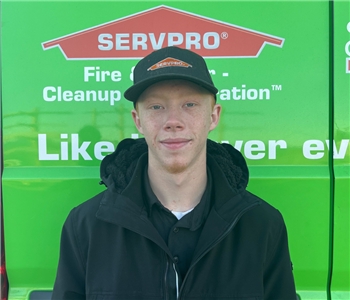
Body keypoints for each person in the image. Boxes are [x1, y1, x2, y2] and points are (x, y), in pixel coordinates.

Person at [51, 46, 297, 300]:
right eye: (156, 107)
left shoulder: (262, 225)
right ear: (138, 120)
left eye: (189, 104)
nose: (173, 120)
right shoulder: (86, 226)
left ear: (213, 117)